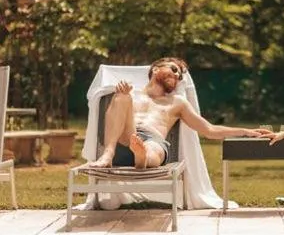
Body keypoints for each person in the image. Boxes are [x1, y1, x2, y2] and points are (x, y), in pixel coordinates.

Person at [88, 56, 273, 168]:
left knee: (153, 148)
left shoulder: (177, 102)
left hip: (153, 141)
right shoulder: (131, 93)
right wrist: (120, 93)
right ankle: (108, 154)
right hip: (125, 138)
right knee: (122, 97)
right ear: (156, 69)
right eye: (174, 70)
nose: (177, 76)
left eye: (180, 76)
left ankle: (142, 158)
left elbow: (209, 130)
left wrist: (247, 132)